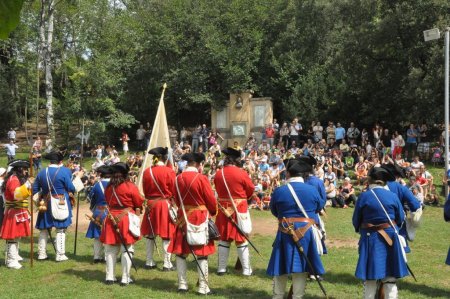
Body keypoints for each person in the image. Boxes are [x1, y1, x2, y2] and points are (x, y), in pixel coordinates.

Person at [267, 158, 325, 298]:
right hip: (306, 232)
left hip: (285, 231)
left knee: (280, 266)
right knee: (302, 267)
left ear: (288, 173)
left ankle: (278, 296)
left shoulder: (279, 191)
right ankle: (297, 297)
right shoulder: (312, 190)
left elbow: (274, 211)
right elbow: (319, 207)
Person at [352, 167, 409, 298]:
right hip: (390, 238)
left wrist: (361, 230)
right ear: (384, 182)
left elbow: (356, 220)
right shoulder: (393, 196)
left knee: (370, 277)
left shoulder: (364, 196)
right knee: (390, 278)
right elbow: (400, 218)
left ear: (370, 180)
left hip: (370, 238)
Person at [168, 152, 217, 295]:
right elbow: (210, 200)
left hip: (183, 217)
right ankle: (203, 287)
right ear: (197, 164)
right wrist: (213, 211)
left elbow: (176, 199)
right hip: (199, 217)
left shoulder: (177, 178)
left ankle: (182, 285)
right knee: (202, 253)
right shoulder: (202, 178)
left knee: (181, 252)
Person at [100, 162, 143, 286]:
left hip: (111, 217)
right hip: (125, 218)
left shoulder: (108, 187)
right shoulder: (129, 186)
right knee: (127, 249)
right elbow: (138, 201)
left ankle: (110, 277)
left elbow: (107, 200)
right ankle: (125, 278)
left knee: (110, 250)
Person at [214, 147, 254, 276]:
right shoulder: (242, 173)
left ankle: (221, 269)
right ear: (237, 160)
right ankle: (246, 270)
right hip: (239, 209)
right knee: (241, 238)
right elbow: (250, 190)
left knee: (224, 239)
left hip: (223, 209)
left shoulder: (219, 173)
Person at [33, 151, 77, 262]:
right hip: (61, 201)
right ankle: (60, 254)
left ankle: (41, 254)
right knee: (60, 229)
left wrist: (42, 197)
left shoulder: (42, 173)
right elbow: (71, 188)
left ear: (50, 161)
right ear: (59, 162)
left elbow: (35, 189)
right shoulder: (62, 172)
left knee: (44, 229)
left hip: (46, 203)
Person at [141, 147, 176, 271]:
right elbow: (173, 189)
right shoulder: (169, 171)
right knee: (167, 235)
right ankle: (167, 264)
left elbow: (145, 190)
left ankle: (149, 261)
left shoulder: (147, 171)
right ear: (164, 157)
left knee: (150, 234)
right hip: (163, 203)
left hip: (151, 203)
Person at [381, 163, 422, 252]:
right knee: (400, 258)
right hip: (396, 226)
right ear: (396, 176)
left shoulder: (372, 189)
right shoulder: (400, 187)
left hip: (376, 230)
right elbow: (415, 205)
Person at [0, 160, 32, 269]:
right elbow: (16, 195)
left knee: (16, 236)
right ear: (20, 169)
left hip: (17, 210)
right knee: (12, 237)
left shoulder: (14, 178)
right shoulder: (13, 180)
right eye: (24, 169)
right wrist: (27, 185)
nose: (26, 172)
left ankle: (15, 256)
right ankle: (11, 260)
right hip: (14, 211)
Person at [85, 165, 111, 263]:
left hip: (98, 211)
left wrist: (93, 210)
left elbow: (91, 199)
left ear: (101, 174)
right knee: (109, 234)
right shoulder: (115, 184)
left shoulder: (96, 185)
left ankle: (97, 257)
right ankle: (107, 256)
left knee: (97, 236)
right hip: (111, 212)